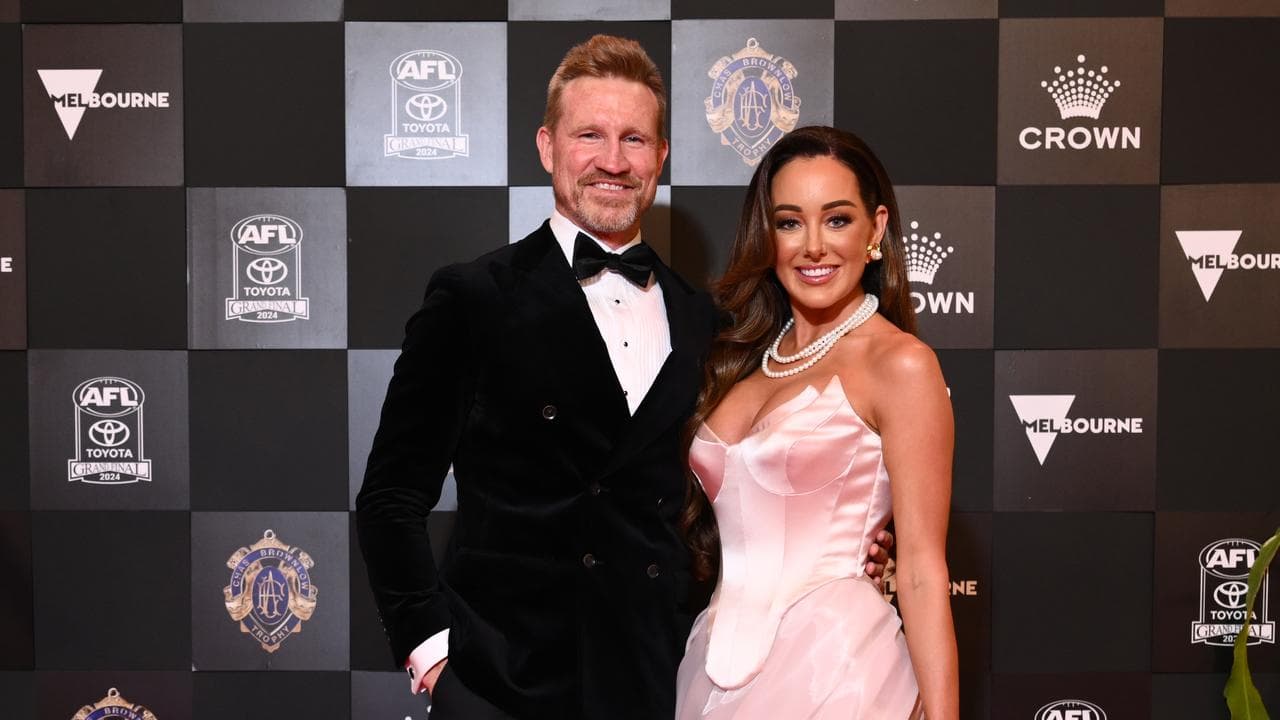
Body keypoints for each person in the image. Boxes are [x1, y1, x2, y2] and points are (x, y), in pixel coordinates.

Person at [356, 37, 891, 720]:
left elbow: (752, 483)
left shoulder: (708, 322)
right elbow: (391, 499)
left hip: (660, 679)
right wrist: (437, 663)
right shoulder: (474, 298)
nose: (613, 160)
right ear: (547, 147)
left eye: (633, 139)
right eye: (590, 135)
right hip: (503, 685)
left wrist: (852, 545)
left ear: (660, 157)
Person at [675, 126, 958, 719]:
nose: (813, 247)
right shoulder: (741, 359)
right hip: (713, 670)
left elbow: (923, 572)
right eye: (789, 222)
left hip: (838, 673)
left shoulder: (900, 364)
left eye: (837, 219)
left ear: (875, 229)